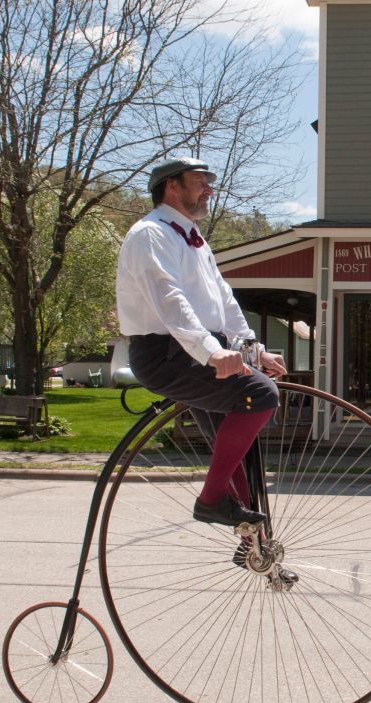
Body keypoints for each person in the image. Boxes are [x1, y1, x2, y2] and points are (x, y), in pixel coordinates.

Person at [116, 157, 287, 529]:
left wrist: (251, 349)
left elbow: (223, 301)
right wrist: (211, 352)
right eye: (200, 181)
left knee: (236, 453)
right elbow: (170, 300)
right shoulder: (151, 234)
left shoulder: (194, 240)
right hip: (167, 354)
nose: (210, 188)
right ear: (171, 186)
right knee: (262, 394)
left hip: (196, 353)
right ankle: (211, 500)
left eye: (210, 181)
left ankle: (254, 547)